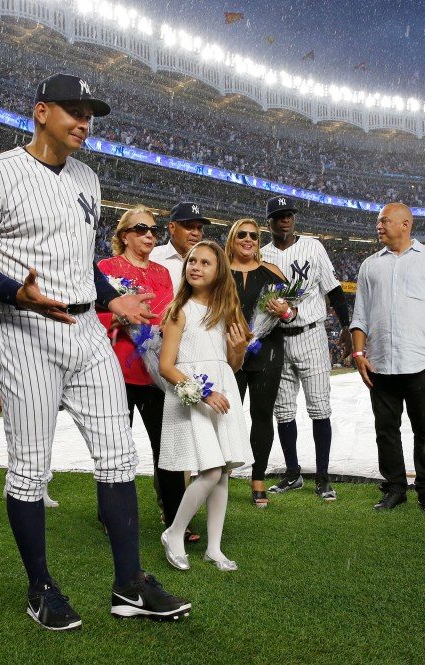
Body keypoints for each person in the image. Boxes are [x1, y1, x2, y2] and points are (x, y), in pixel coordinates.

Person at [0, 73, 191, 630]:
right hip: (24, 330)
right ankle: (41, 587)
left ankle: (128, 585)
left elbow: (81, 263)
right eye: (73, 110)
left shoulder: (87, 177)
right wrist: (17, 293)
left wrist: (113, 300)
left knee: (118, 457)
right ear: (40, 112)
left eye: (90, 114)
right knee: (32, 469)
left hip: (88, 331)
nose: (84, 122)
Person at [350, 203, 425, 513]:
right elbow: (360, 316)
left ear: (405, 225)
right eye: (378, 221)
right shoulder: (369, 266)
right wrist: (359, 353)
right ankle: (394, 487)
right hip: (380, 363)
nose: (379, 226)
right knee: (385, 431)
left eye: (385, 221)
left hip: (420, 362)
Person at [96, 206, 194, 542]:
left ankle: (176, 519)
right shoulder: (105, 269)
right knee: (114, 447)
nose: (150, 235)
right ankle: (110, 512)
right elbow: (89, 318)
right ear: (125, 235)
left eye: (153, 230)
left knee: (166, 448)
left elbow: (168, 316)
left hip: (155, 374)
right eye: (141, 228)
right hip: (115, 371)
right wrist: (117, 319)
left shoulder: (162, 273)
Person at [157, 241, 252, 571]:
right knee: (210, 470)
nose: (195, 266)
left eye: (205, 263)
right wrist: (203, 393)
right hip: (195, 398)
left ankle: (214, 547)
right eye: (192, 261)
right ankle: (175, 532)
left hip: (222, 395)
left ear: (219, 272)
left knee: (222, 470)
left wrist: (238, 349)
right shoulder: (178, 311)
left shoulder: (226, 311)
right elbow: (167, 366)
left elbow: (233, 364)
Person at [260, 195, 352, 500]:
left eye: (290, 214)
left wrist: (347, 326)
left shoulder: (313, 246)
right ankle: (292, 473)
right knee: (283, 410)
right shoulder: (262, 255)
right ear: (269, 222)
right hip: (277, 338)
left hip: (311, 334)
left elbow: (334, 289)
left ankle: (323, 477)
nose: (286, 219)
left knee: (319, 408)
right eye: (280, 215)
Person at [226, 218, 294, 507]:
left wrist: (285, 310)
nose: (248, 239)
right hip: (228, 352)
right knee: (227, 416)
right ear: (232, 238)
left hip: (268, 353)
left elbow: (292, 312)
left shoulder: (273, 272)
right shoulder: (218, 271)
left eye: (253, 235)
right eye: (241, 234)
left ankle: (258, 478)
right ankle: (219, 475)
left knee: (262, 416)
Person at [150, 201, 208, 293]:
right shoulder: (152, 258)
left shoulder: (208, 264)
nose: (196, 233)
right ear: (172, 228)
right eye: (189, 227)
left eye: (199, 228)